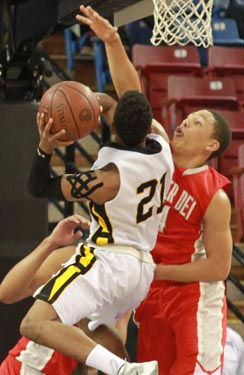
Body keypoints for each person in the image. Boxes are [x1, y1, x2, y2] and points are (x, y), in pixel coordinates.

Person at [75, 5, 233, 375]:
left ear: (211, 145)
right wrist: (113, 41)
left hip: (193, 300)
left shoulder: (216, 195)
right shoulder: (157, 152)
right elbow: (132, 95)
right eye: (187, 118)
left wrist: (155, 271)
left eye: (196, 123)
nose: (184, 124)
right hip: (150, 293)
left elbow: (219, 266)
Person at [20, 74, 174, 374]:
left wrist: (45, 146)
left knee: (34, 323)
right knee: (90, 328)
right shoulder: (161, 146)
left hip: (107, 262)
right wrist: (91, 100)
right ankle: (124, 367)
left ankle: (122, 369)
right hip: (140, 272)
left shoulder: (105, 180)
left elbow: (38, 187)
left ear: (113, 127)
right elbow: (114, 105)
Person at [0, 214, 127, 375]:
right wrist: (50, 243)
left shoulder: (130, 276)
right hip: (28, 367)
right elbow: (7, 293)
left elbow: (114, 347)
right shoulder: (76, 256)